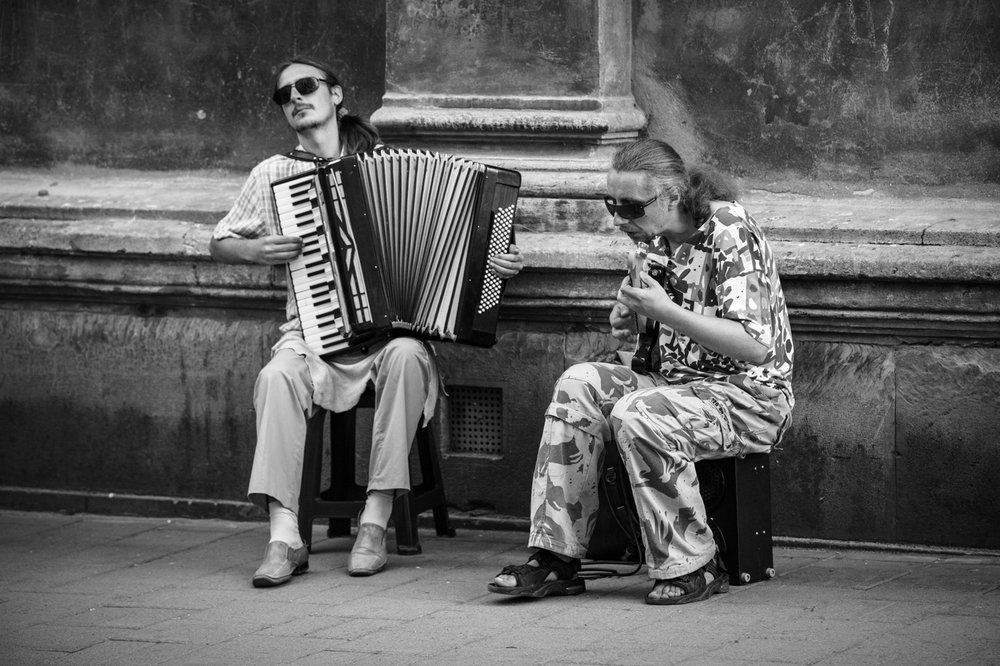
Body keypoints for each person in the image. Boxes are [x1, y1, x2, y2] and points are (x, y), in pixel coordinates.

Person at [210, 55, 523, 588]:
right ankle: (284, 536)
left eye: (305, 86)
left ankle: (374, 522)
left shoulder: (384, 164)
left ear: (336, 95)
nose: (295, 98)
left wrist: (498, 260)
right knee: (275, 377)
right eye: (284, 95)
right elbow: (220, 243)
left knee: (405, 354)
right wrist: (256, 250)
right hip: (311, 338)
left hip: (389, 340)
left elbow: (462, 244)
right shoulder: (272, 174)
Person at [488, 138, 793, 605]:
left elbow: (754, 347)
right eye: (611, 205)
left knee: (639, 411)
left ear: (672, 195)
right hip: (675, 386)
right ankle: (555, 558)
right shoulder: (650, 241)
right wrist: (632, 324)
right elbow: (643, 345)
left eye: (630, 207)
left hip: (749, 398)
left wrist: (665, 312)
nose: (618, 219)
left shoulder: (728, 229)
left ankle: (694, 564)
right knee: (577, 383)